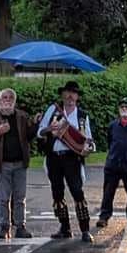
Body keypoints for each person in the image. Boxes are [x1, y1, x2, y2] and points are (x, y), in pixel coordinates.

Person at [37, 80, 95, 243]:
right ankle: (65, 228)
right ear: (62, 94)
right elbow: (39, 132)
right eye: (67, 92)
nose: (70, 96)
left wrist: (88, 148)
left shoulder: (82, 116)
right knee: (57, 193)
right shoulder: (52, 110)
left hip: (72, 157)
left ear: (77, 97)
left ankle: (85, 230)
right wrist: (49, 129)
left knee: (77, 192)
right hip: (54, 157)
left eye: (73, 93)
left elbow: (88, 139)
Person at [0, 88, 35, 239]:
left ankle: (20, 226)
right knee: (4, 197)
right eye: (4, 98)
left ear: (14, 101)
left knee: (20, 198)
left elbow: (30, 136)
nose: (7, 100)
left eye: (10, 98)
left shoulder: (22, 117)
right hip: (2, 163)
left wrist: (36, 124)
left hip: (20, 163)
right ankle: (5, 227)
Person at [96, 98, 127, 229]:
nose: (124, 108)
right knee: (108, 192)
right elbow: (109, 142)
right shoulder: (112, 126)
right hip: (113, 164)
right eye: (122, 107)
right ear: (119, 109)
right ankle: (104, 217)